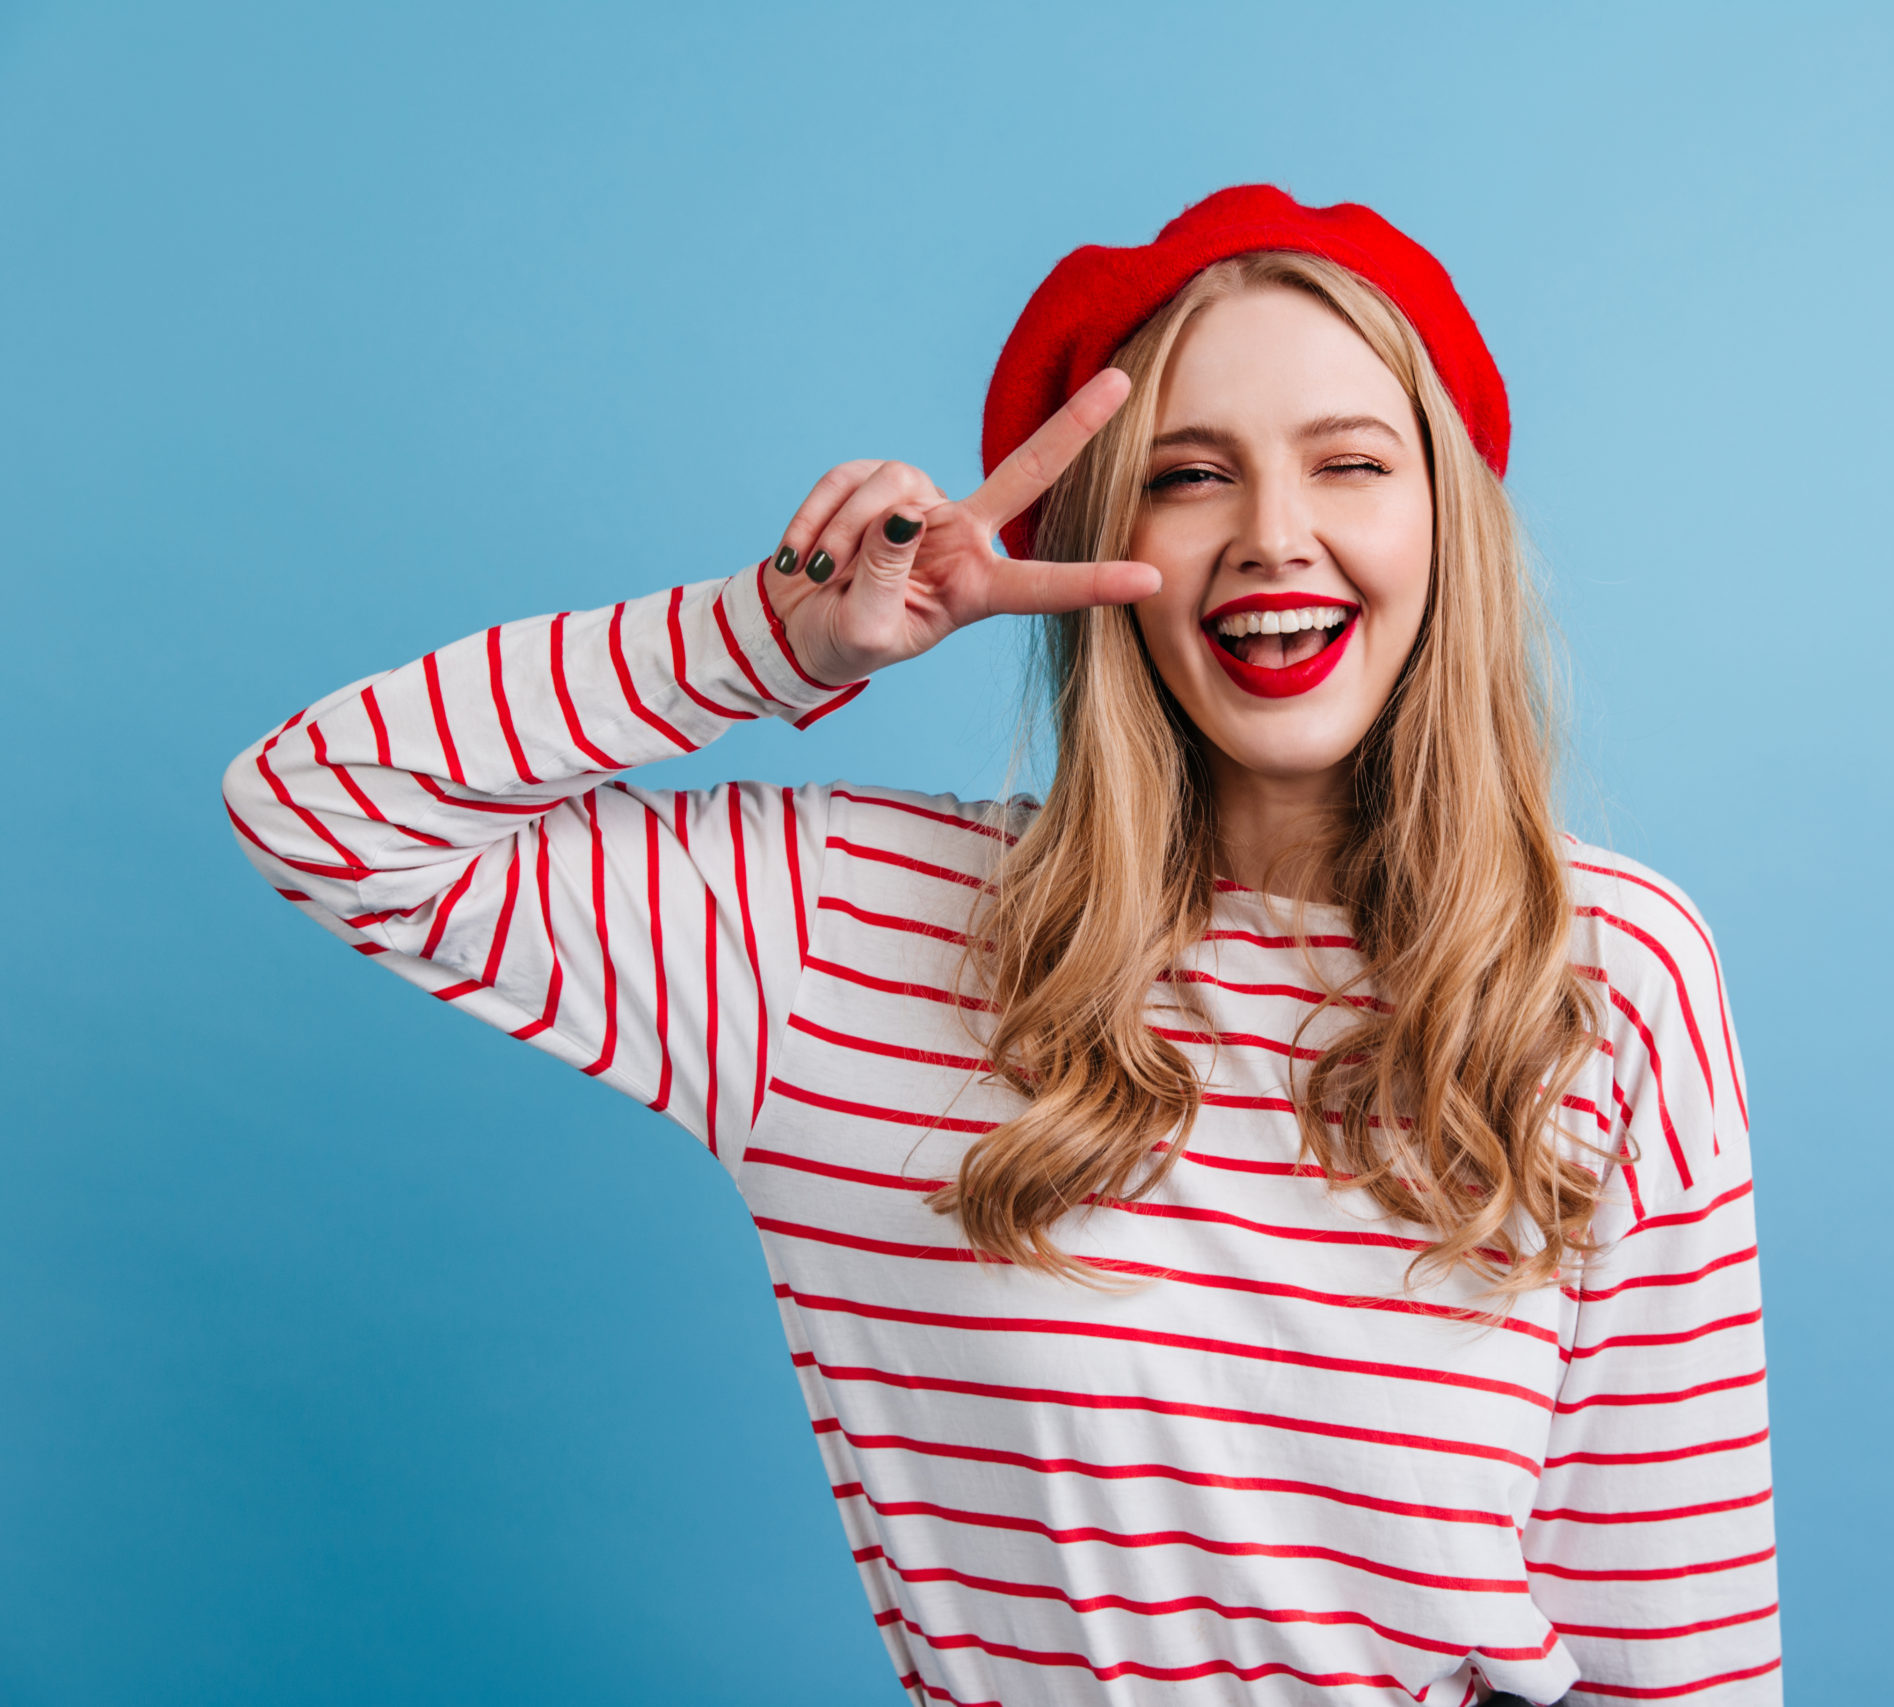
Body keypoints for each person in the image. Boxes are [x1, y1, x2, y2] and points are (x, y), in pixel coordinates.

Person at [222, 185, 1778, 1705]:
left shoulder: (1609, 971)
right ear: (1101, 542)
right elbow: (320, 804)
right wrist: (776, 637)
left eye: (1351, 463)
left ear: (1448, 524)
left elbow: (1676, 1648)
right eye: (1189, 476)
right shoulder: (845, 936)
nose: (1273, 536)